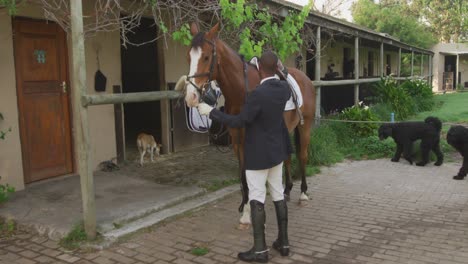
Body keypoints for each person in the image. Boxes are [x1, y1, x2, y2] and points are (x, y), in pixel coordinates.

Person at [197, 51, 292, 263]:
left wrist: (210, 111)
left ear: (259, 69)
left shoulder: (257, 95)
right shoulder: (284, 89)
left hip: (258, 156)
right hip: (277, 154)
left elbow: (239, 121)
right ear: (277, 67)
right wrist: (281, 69)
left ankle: (260, 250)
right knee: (278, 194)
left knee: (257, 197)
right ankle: (283, 243)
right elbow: (283, 79)